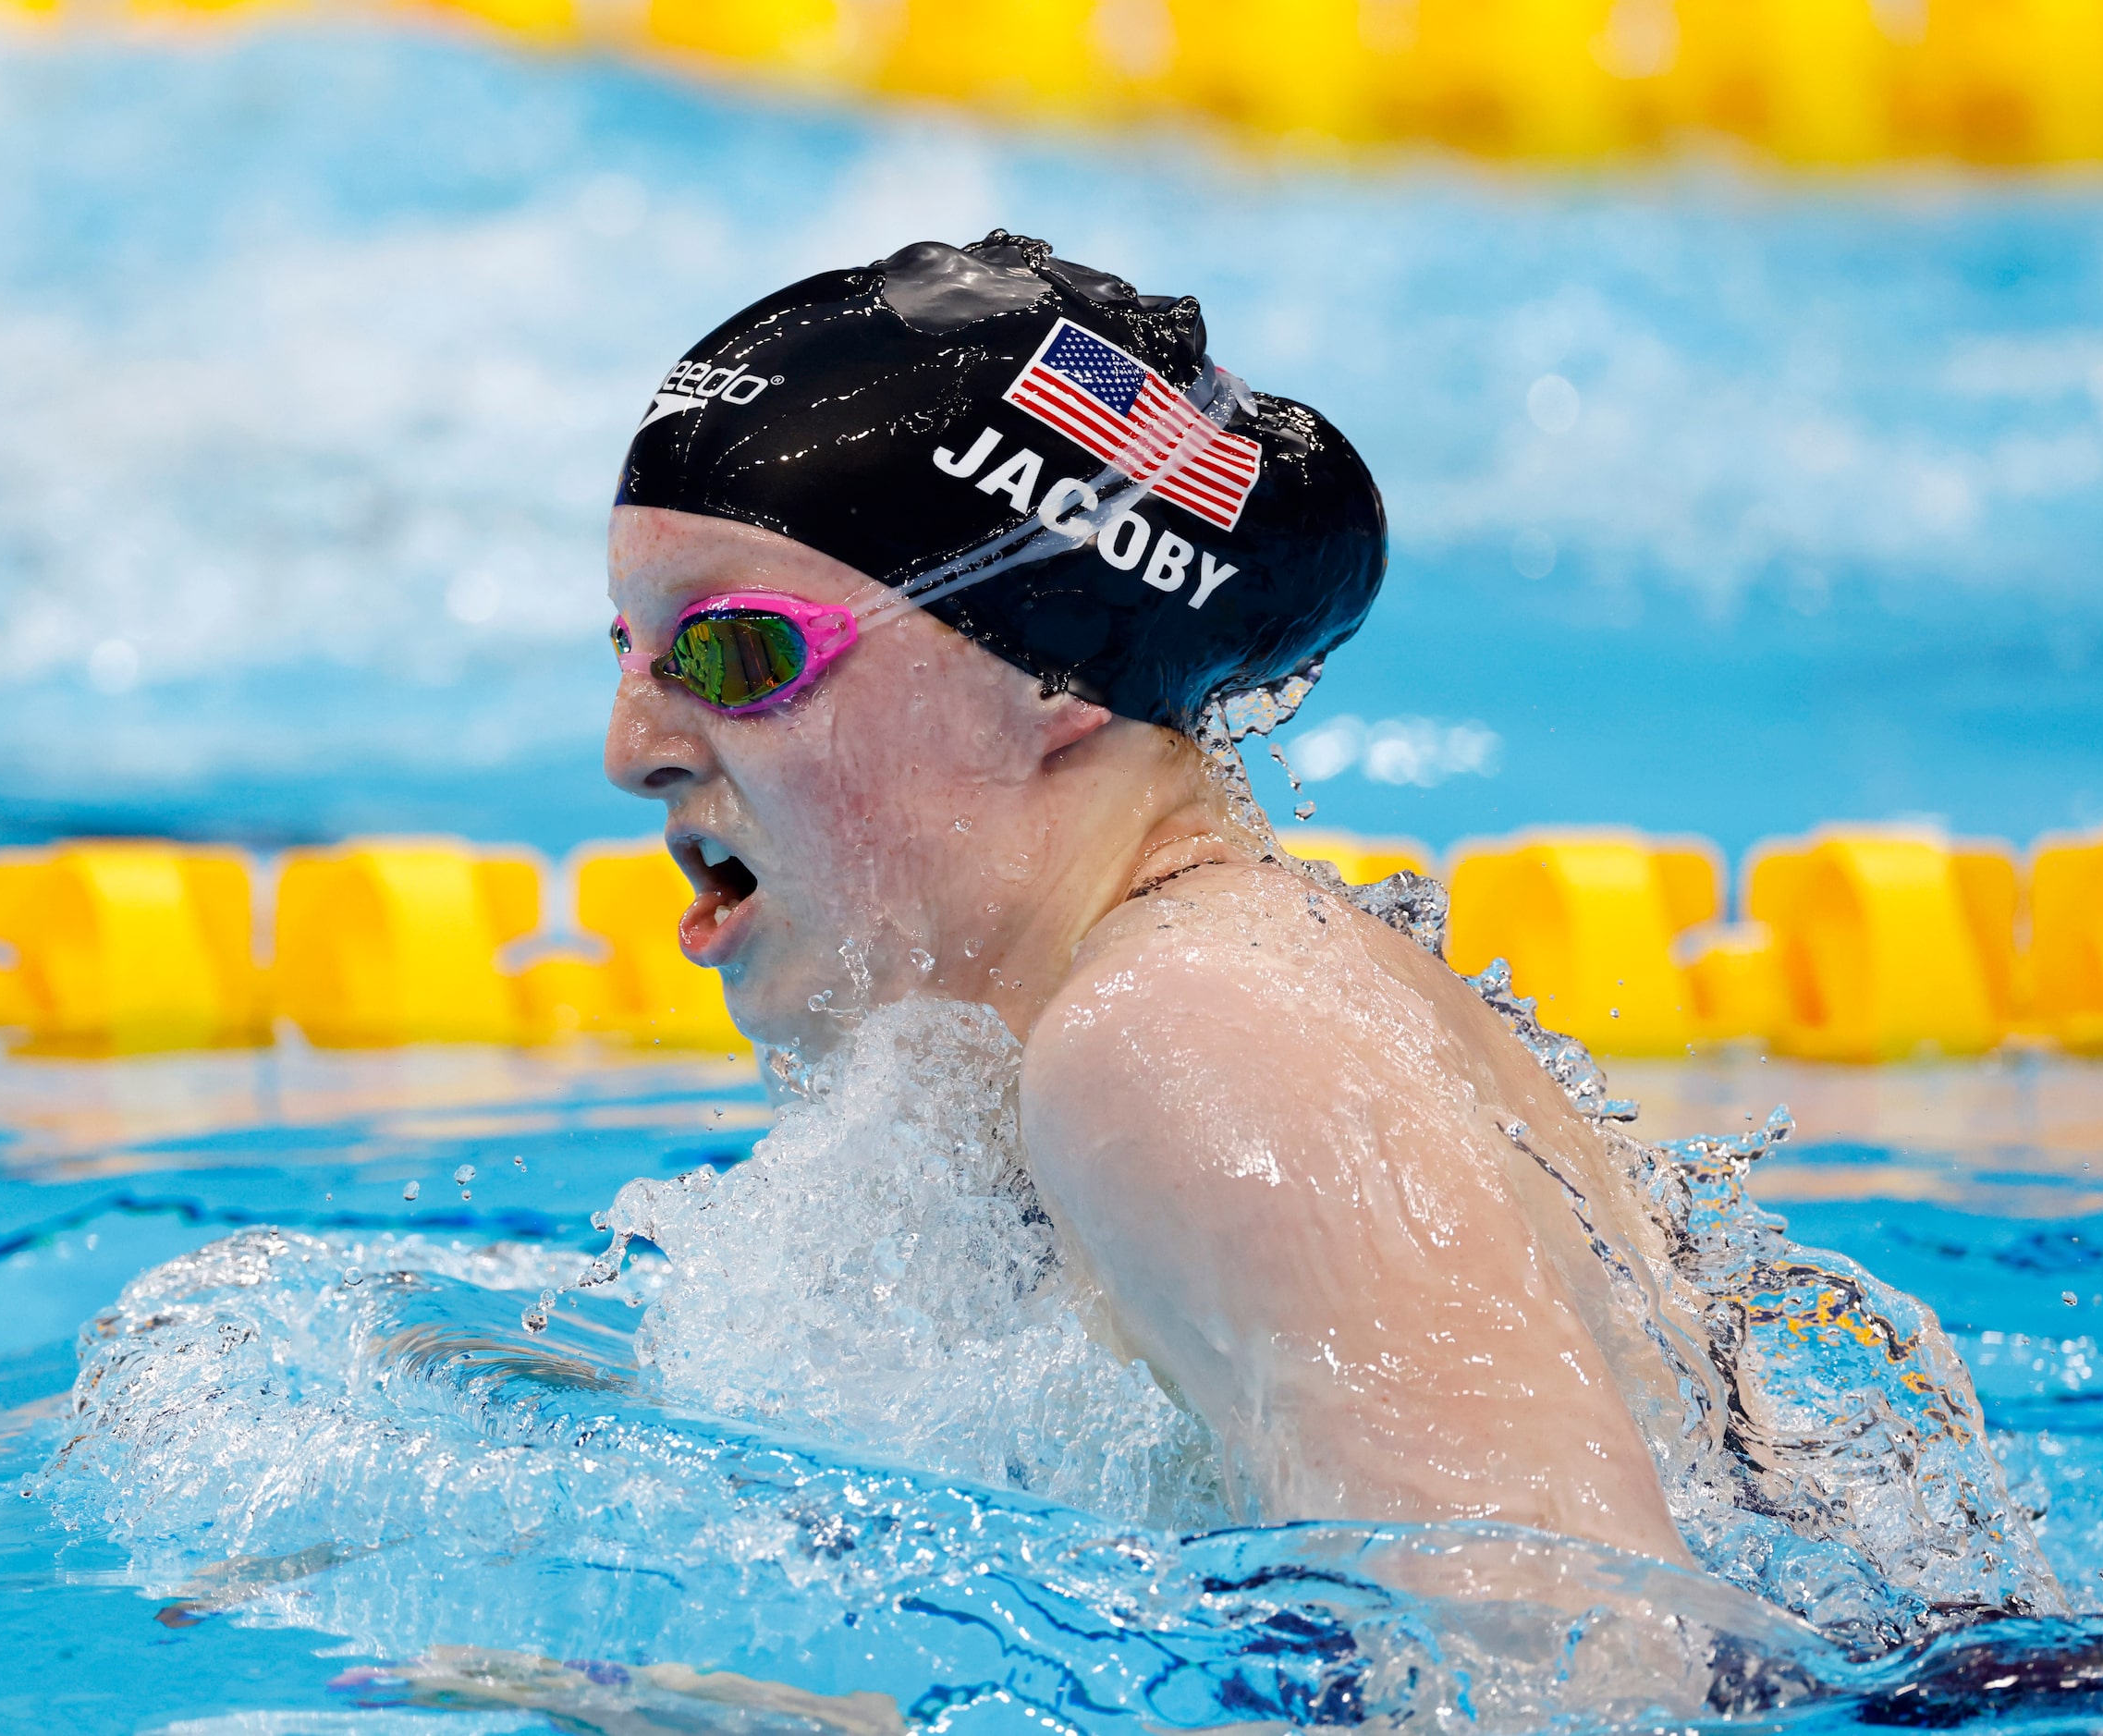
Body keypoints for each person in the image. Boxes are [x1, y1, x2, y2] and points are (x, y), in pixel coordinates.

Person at [603, 232, 1691, 1568]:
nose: (631, 744)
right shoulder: (1153, 1005)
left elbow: (1580, 1660)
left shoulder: (1184, 1033)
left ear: (1048, 665)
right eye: (631, 647)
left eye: (733, 649)